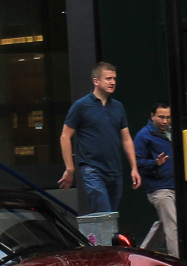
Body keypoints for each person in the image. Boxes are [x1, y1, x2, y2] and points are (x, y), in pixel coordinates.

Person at [58, 62, 141, 212]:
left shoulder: (118, 107)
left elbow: (126, 138)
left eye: (114, 78)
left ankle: (99, 236)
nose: (113, 82)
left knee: (111, 215)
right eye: (108, 78)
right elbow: (65, 136)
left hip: (115, 170)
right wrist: (70, 168)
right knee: (104, 213)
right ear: (96, 81)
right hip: (92, 169)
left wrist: (134, 168)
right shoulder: (81, 106)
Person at [134, 102, 178, 257]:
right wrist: (155, 163)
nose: (164, 121)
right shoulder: (144, 136)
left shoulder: (174, 132)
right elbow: (137, 161)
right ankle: (179, 264)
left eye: (168, 117)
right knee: (173, 227)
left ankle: (142, 256)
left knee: (164, 224)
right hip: (159, 188)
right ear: (152, 116)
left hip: (174, 185)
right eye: (161, 117)